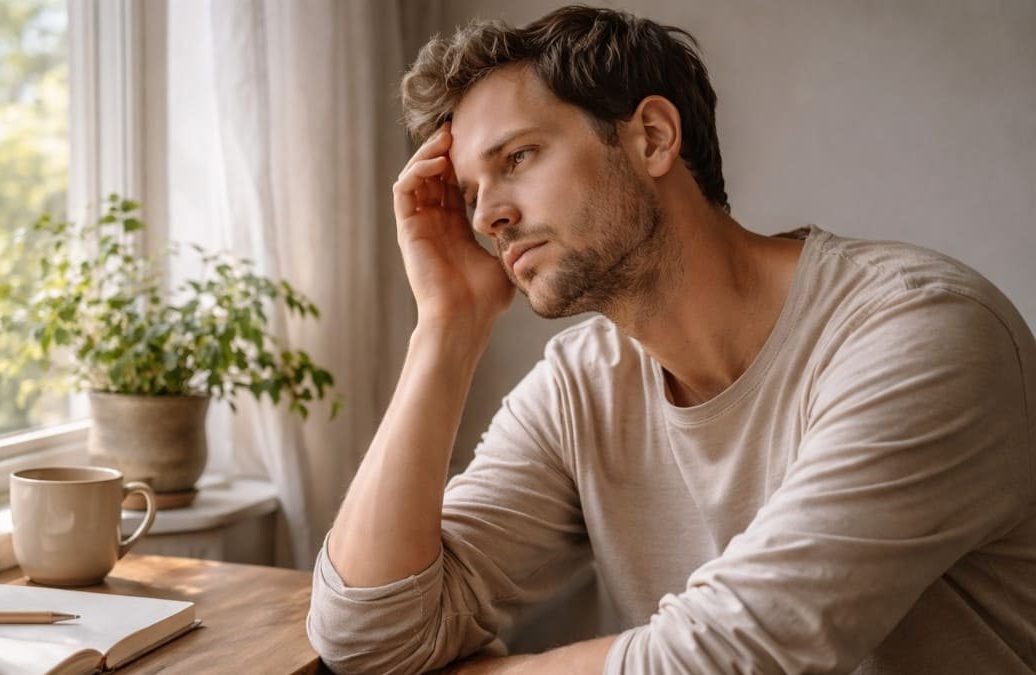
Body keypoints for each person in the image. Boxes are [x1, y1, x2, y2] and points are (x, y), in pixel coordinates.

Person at [306, 5, 1036, 674]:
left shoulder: (922, 332)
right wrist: (447, 326)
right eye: (470, 195)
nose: (486, 217)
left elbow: (730, 655)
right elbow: (365, 634)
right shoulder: (580, 387)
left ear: (652, 137)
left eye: (517, 158)